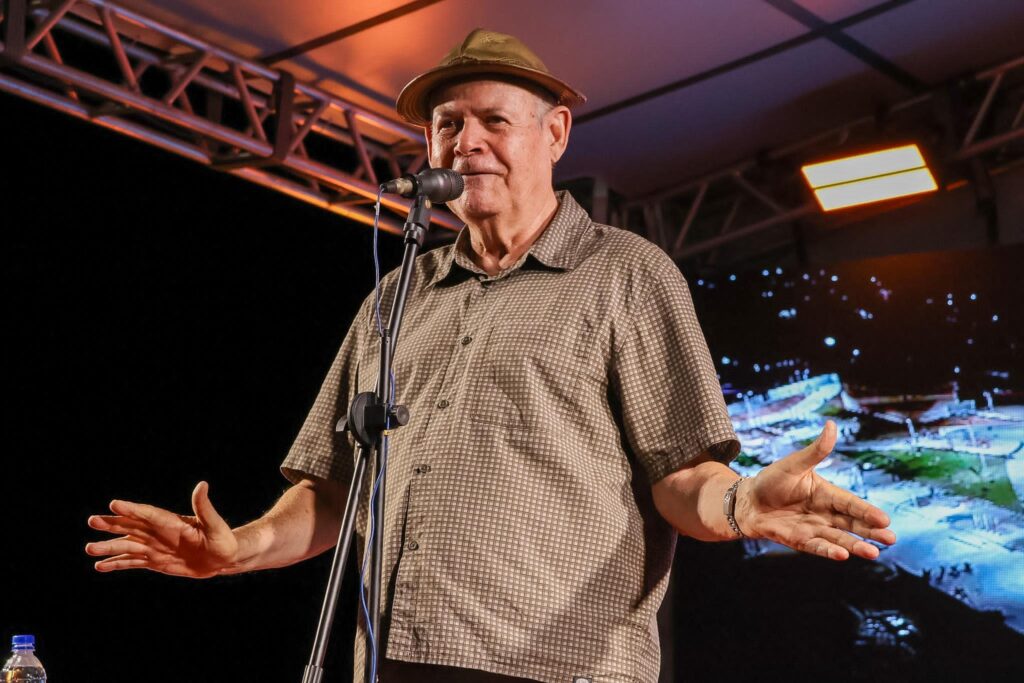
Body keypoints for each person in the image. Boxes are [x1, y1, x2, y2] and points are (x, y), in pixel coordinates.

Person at [85, 29, 896, 683]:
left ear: (556, 133)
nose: (465, 141)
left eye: (493, 121)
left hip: (559, 665)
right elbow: (333, 488)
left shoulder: (626, 274)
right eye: (447, 125)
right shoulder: (395, 297)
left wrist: (743, 504)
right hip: (394, 663)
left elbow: (682, 474)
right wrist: (242, 549)